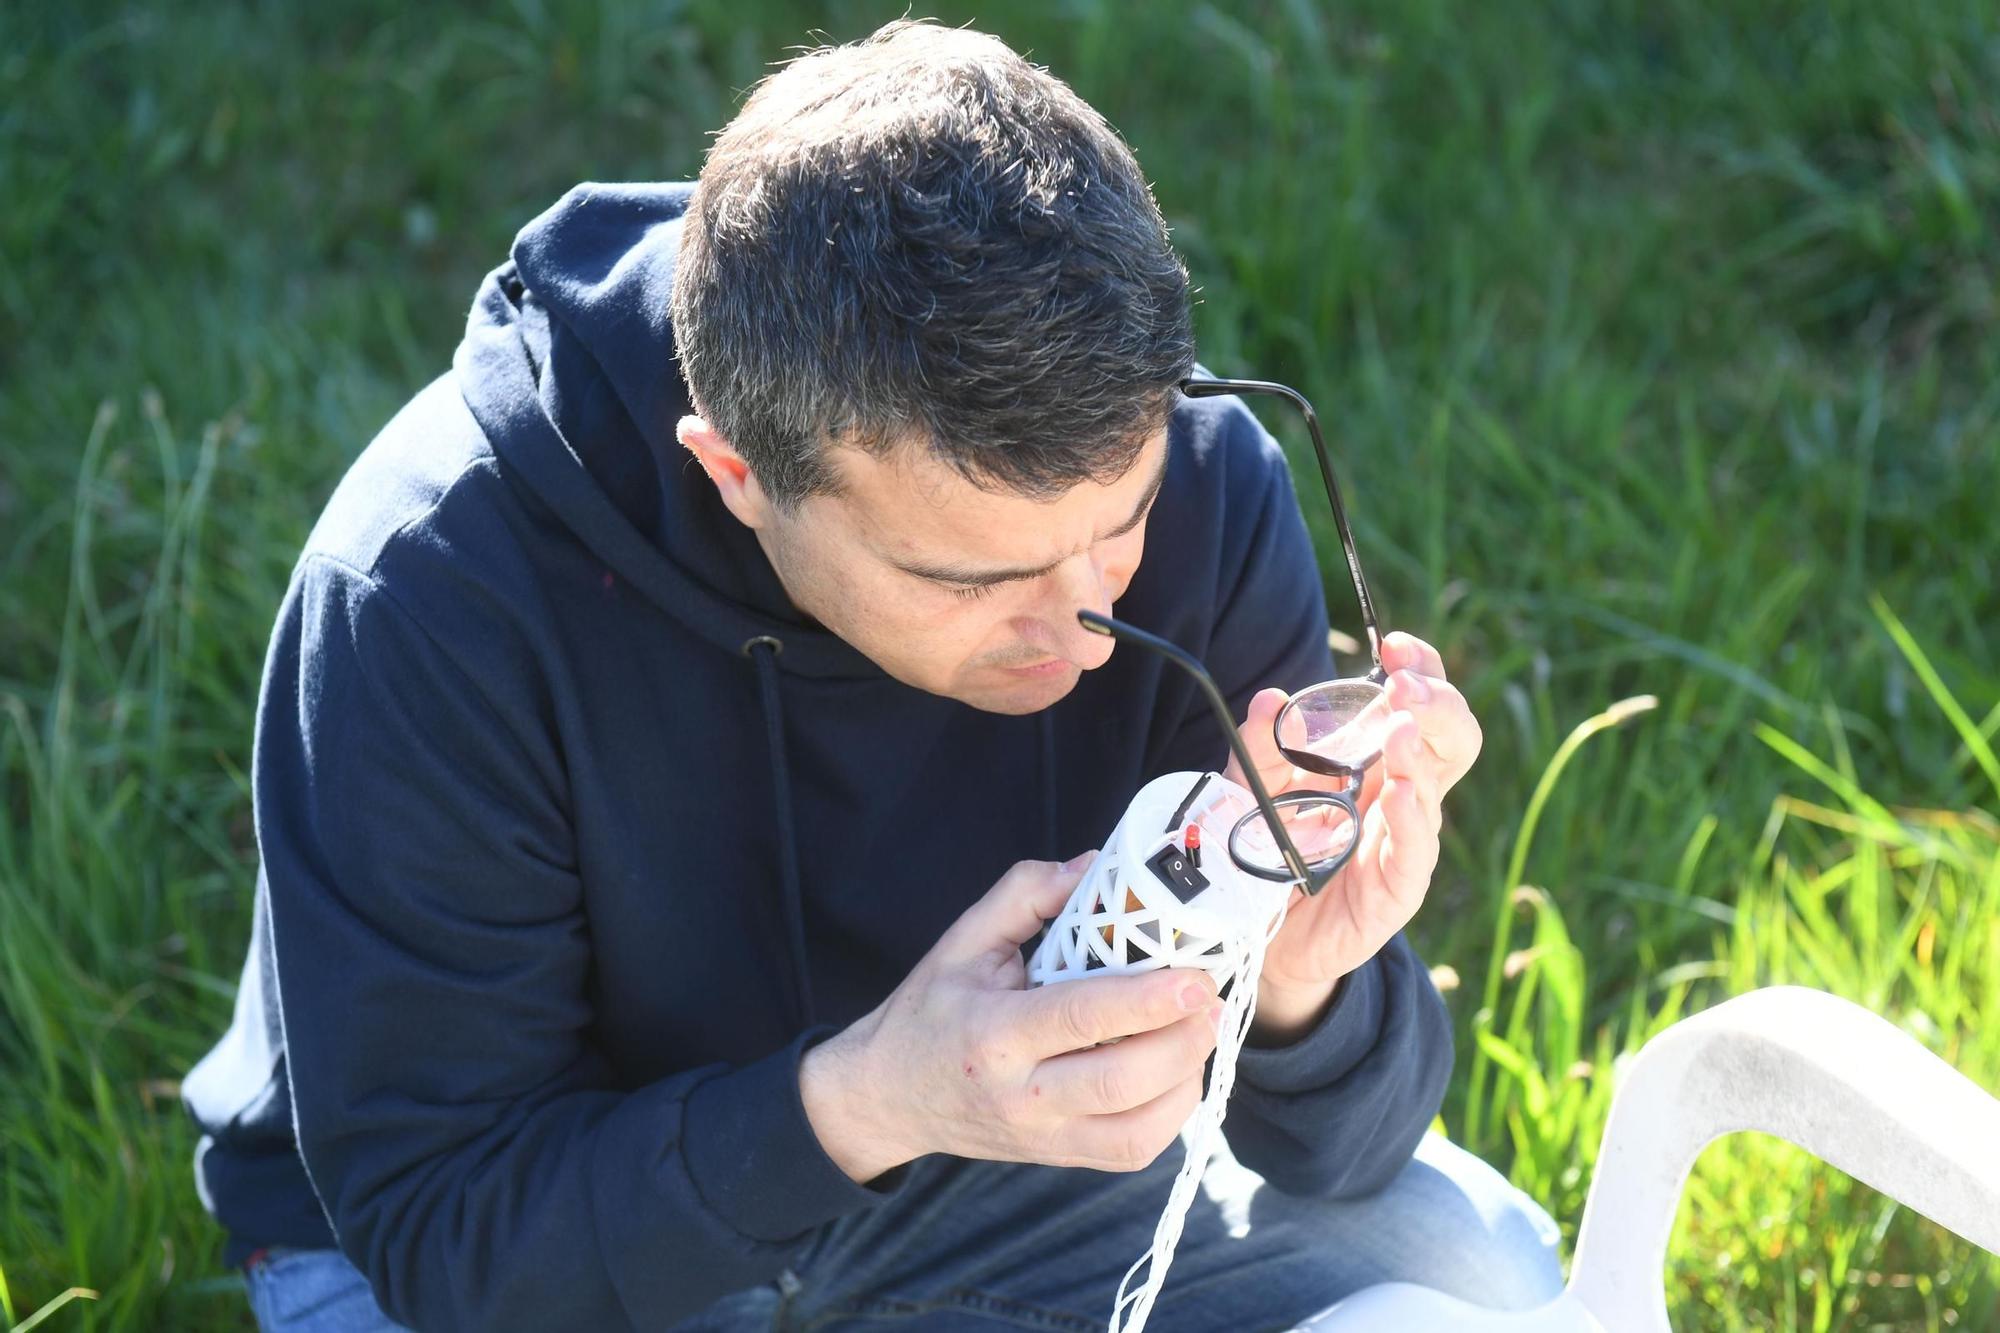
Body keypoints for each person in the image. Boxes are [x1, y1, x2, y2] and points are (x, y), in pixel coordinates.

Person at [183, 19, 1563, 1333]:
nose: (1088, 625)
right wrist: (869, 1101)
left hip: (975, 1165)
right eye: (973, 578)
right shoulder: (434, 596)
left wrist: (1300, 988)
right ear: (737, 472)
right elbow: (450, 1237)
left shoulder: (1203, 490)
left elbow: (1343, 1146)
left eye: (1117, 523)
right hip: (530, 1226)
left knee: (1486, 1275)